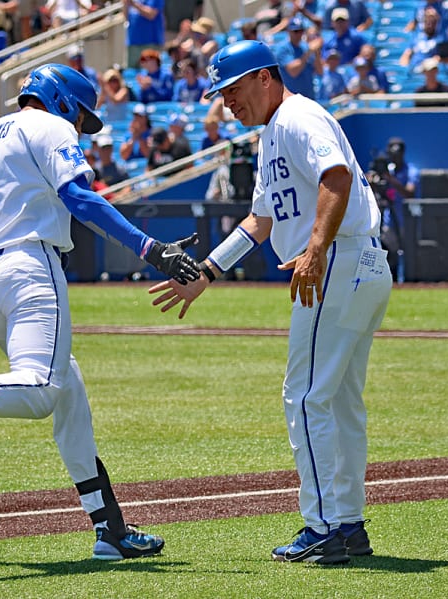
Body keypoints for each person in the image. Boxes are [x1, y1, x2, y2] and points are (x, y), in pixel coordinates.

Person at [0, 63, 200, 561]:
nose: (80, 128)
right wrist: (150, 249)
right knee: (40, 390)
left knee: (69, 395)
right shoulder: (49, 126)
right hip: (29, 267)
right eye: (82, 117)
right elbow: (80, 198)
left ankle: (111, 531)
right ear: (60, 101)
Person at [149, 40, 391, 564]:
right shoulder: (272, 133)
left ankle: (324, 526)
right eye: (220, 93)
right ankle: (346, 524)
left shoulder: (299, 117)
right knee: (338, 401)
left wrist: (315, 249)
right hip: (357, 264)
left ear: (264, 77)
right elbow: (261, 220)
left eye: (232, 89)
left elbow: (337, 177)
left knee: (305, 397)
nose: (226, 102)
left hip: (339, 263)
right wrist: (207, 272)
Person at [367, 136, 419, 281]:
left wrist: (390, 179)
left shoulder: (411, 170)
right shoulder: (388, 169)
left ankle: (408, 281)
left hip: (406, 220)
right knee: (389, 251)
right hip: (388, 219)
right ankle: (391, 279)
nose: (394, 158)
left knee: (407, 252)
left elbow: (409, 193)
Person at [273, 16, 323, 100]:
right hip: (292, 99)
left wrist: (317, 53)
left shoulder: (305, 46)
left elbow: (319, 71)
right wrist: (309, 51)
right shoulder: (283, 49)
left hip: (309, 98)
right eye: (295, 31)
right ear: (289, 32)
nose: (298, 34)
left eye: (301, 31)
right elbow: (293, 71)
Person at [123, 0, 164, 69]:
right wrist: (125, 4)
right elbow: (126, 16)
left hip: (150, 42)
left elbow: (151, 14)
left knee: (150, 71)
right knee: (131, 73)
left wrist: (134, 4)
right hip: (133, 42)